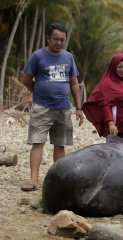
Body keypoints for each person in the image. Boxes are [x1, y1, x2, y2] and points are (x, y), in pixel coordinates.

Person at [20, 23, 84, 191]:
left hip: (63, 108)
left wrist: (79, 107)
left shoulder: (68, 57)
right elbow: (26, 79)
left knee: (60, 145)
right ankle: (33, 180)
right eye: (56, 39)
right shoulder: (37, 56)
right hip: (42, 107)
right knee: (37, 142)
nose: (59, 43)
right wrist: (38, 93)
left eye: (62, 40)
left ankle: (59, 180)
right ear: (48, 38)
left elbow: (74, 83)